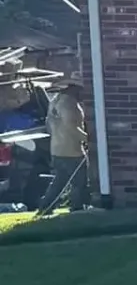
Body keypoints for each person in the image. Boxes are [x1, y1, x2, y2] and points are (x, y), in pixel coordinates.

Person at [40, 78, 87, 212]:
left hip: (56, 149)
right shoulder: (70, 104)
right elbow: (71, 127)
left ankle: (46, 206)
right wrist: (89, 139)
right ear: (75, 89)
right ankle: (77, 208)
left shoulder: (55, 101)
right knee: (80, 182)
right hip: (72, 151)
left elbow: (48, 125)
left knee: (59, 181)